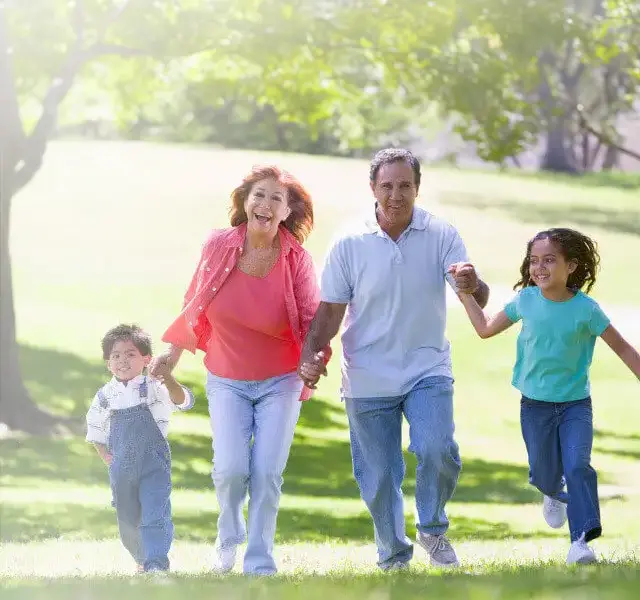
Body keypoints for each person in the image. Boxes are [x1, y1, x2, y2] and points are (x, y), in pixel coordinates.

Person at [298, 148, 490, 570]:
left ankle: (432, 528)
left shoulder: (441, 234)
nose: (396, 194)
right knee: (380, 476)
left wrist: (474, 284)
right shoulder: (350, 241)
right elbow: (329, 312)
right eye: (387, 186)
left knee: (438, 448)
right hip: (367, 373)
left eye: (405, 186)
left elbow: (475, 292)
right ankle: (393, 554)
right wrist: (311, 355)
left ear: (417, 188)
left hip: (427, 366)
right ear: (373, 189)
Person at [149, 165, 330, 576]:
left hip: (280, 380)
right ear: (245, 202)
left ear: (287, 212)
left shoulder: (296, 260)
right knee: (230, 470)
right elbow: (194, 300)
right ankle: (228, 539)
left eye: (275, 199)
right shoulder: (218, 246)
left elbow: (311, 320)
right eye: (258, 196)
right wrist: (172, 356)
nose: (265, 204)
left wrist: (313, 362)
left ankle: (260, 561)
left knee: (267, 472)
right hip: (227, 378)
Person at [452, 227, 640, 565]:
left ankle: (581, 542)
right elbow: (484, 329)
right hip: (535, 406)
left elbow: (625, 349)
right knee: (543, 472)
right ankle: (552, 491)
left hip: (575, 406)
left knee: (578, 465)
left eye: (549, 260)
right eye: (534, 261)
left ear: (571, 266)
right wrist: (465, 294)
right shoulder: (526, 301)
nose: (539, 267)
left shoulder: (587, 310)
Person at [85, 324, 194, 574]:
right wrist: (106, 456)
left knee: (155, 511)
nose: (123, 360)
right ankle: (141, 558)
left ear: (146, 359)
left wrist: (168, 377)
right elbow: (95, 429)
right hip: (121, 468)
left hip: (154, 464)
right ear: (108, 363)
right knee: (128, 519)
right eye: (116, 355)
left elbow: (183, 401)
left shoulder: (154, 387)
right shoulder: (105, 396)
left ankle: (156, 562)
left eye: (130, 354)